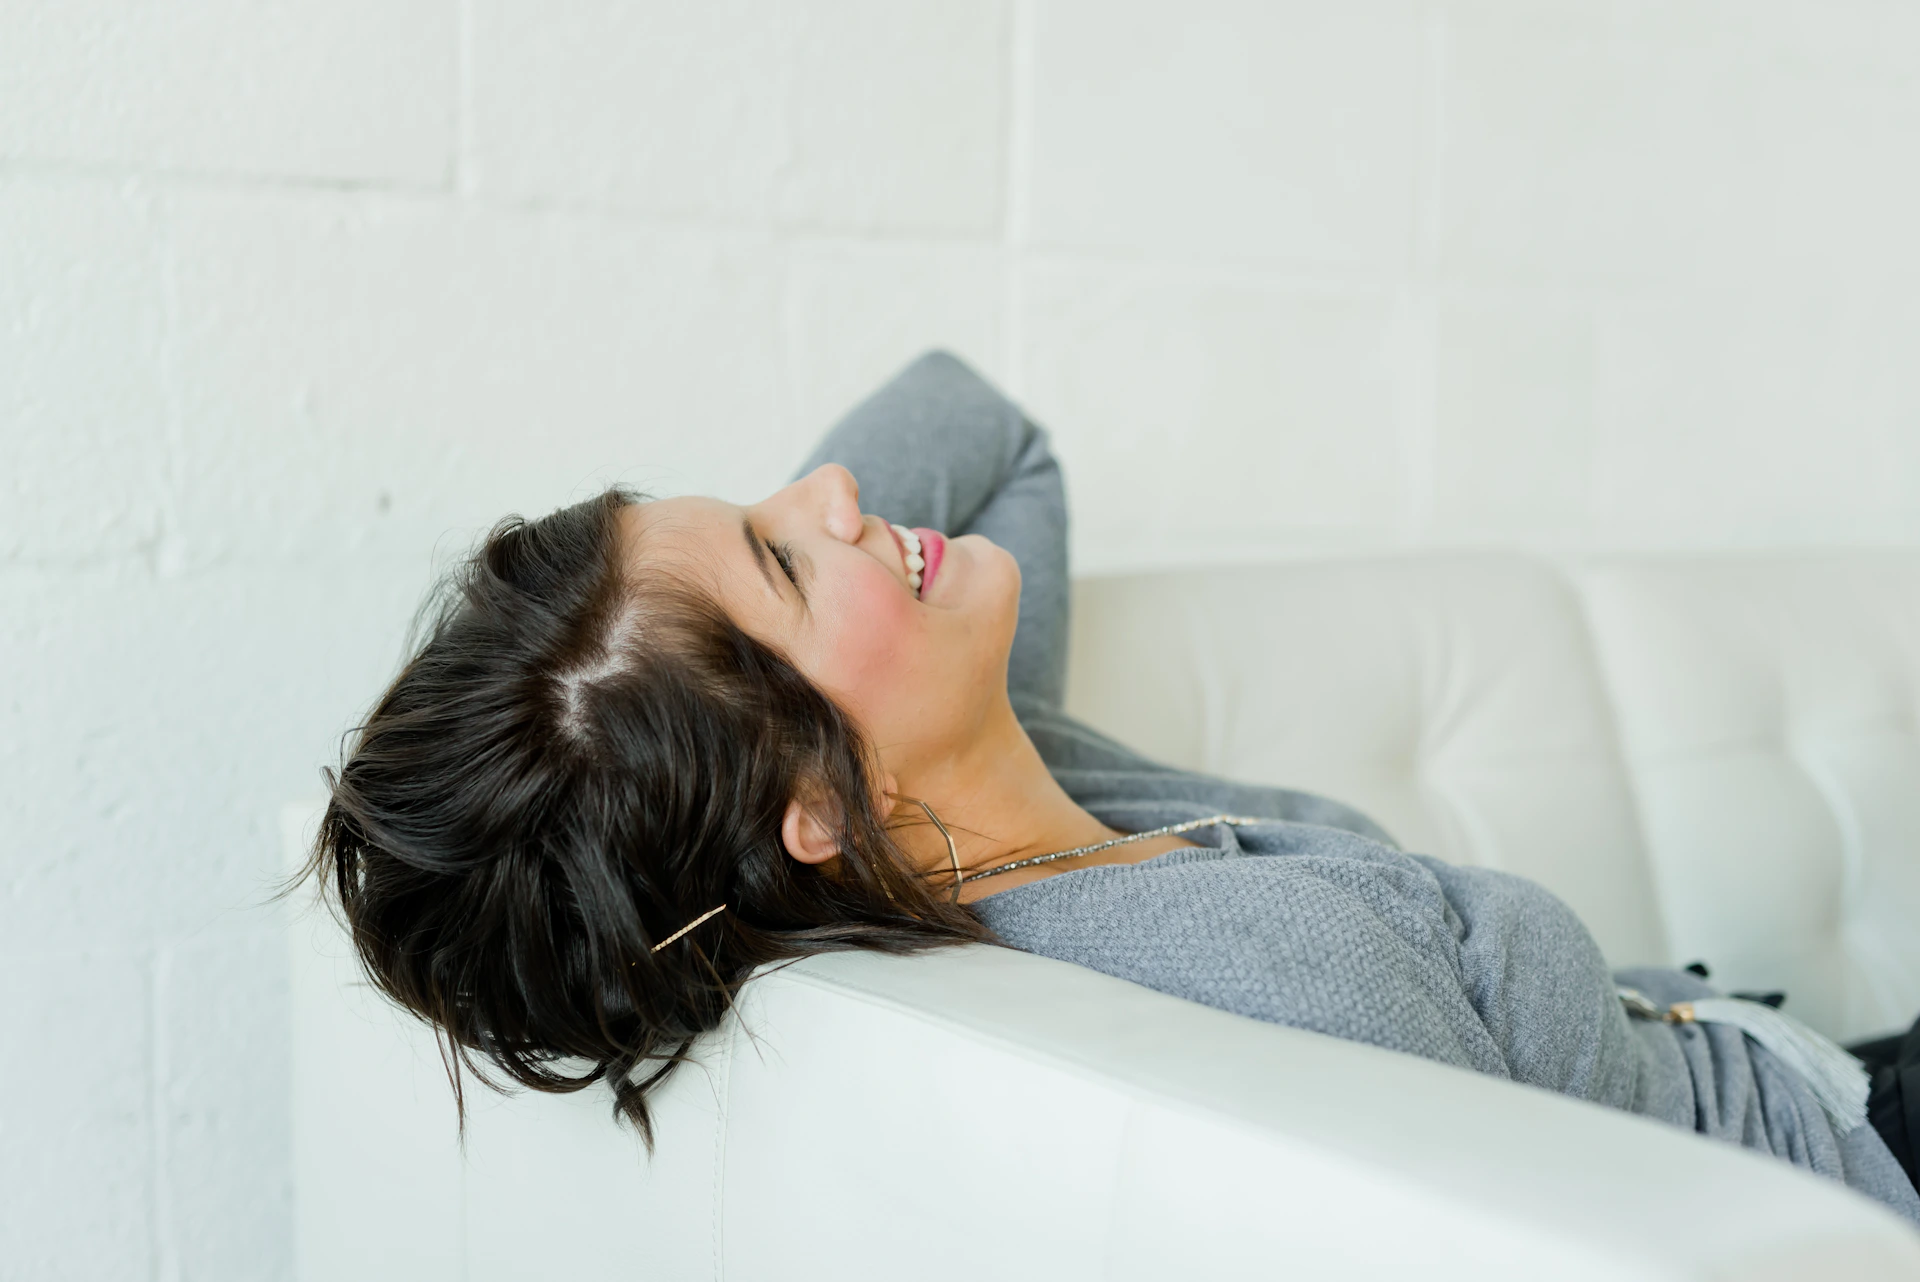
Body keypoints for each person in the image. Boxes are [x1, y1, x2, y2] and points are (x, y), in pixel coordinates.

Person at [306, 351, 1920, 1226]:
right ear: (801, 799)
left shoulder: (995, 779)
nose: (839, 489)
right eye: (788, 552)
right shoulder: (1242, 975)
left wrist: (676, 626)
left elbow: (981, 425)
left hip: (1802, 1058)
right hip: (1848, 1168)